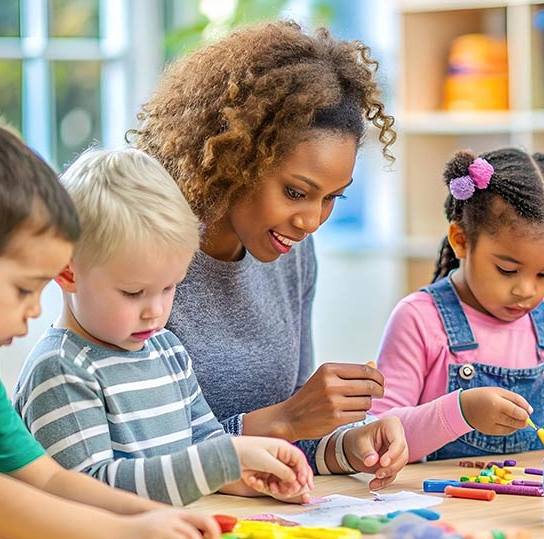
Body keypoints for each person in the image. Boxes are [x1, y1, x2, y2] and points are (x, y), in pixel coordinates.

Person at [131, 20, 406, 487]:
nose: (312, 221)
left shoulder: (294, 254)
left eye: (331, 197)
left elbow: (291, 436)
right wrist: (286, 419)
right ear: (237, 160)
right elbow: (137, 455)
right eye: (296, 191)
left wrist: (346, 444)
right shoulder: (146, 252)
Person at [0, 112, 220, 539]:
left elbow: (50, 480)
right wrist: (121, 538)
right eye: (24, 289)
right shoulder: (53, 364)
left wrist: (148, 516)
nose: (35, 309)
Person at [14, 148, 313, 507]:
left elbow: (204, 444)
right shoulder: (61, 369)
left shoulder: (166, 349)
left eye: (169, 287)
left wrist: (249, 474)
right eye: (133, 292)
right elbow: (90, 490)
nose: (155, 311)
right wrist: (220, 462)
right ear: (68, 272)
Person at [371, 148, 544, 461]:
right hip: (448, 504)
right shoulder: (418, 318)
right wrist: (460, 412)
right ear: (461, 240)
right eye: (507, 270)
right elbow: (379, 434)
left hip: (528, 502)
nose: (526, 290)